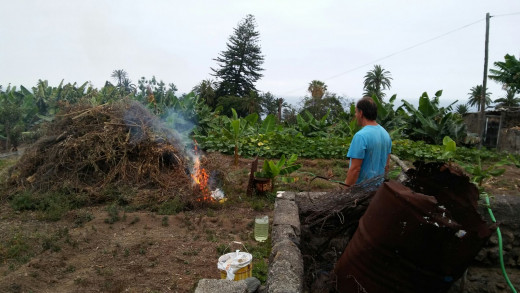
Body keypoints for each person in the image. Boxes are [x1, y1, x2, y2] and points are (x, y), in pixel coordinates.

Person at [344, 96, 392, 187]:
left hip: (362, 191)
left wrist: (346, 190)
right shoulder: (386, 134)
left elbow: (355, 169)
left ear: (361, 113)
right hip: (378, 191)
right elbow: (387, 166)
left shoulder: (361, 136)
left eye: (356, 112)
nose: (355, 115)